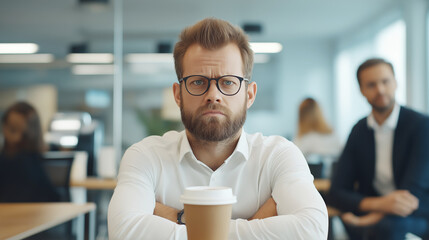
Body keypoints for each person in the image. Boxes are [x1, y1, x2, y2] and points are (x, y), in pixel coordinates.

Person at [108, 18, 328, 239]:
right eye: (197, 82)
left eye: (228, 82)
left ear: (249, 95)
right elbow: (124, 232)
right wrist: (255, 222)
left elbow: (312, 230)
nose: (213, 95)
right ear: (178, 94)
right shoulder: (146, 156)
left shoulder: (279, 155)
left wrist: (179, 218)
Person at [329, 58, 429, 240]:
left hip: (416, 214)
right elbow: (337, 191)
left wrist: (366, 219)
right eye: (371, 84)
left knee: (384, 227)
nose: (380, 90)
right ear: (361, 90)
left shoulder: (421, 125)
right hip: (376, 212)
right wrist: (380, 204)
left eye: (385, 81)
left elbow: (409, 196)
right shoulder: (359, 130)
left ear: (395, 82)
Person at [0, 101, 60, 202]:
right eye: (12, 129)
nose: (16, 137)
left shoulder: (29, 160)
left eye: (19, 130)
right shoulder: (10, 161)